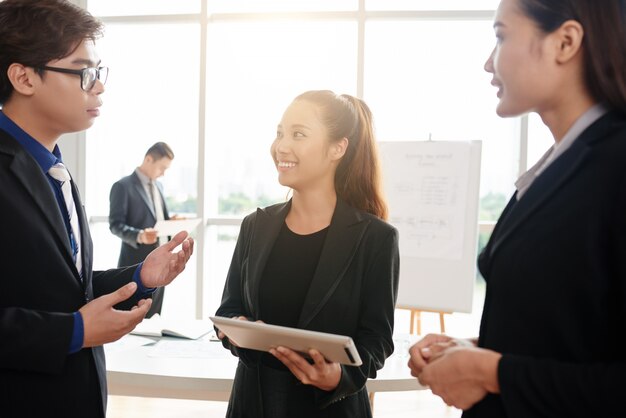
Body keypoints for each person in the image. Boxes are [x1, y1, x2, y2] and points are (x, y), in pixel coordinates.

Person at [407, 0, 626, 417]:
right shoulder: (561, 165)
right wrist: (475, 352)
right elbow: (576, 337)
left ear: (565, 42)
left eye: (502, 36)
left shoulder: (616, 165)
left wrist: (493, 372)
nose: (488, 63)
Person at [0, 1, 194, 417]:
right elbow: (68, 317)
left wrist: (141, 277)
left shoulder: (52, 166)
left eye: (99, 73)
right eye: (83, 72)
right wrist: (74, 331)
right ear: (23, 77)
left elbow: (64, 289)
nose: (99, 87)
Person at [215, 90, 399, 418]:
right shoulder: (255, 226)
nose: (281, 146)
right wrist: (235, 328)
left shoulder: (375, 238)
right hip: (254, 403)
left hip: (330, 408)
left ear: (337, 148)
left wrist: (340, 377)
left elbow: (377, 341)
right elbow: (229, 309)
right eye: (280, 133)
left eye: (298, 134)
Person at [109, 141, 175, 317]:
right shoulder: (122, 186)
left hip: (161, 264)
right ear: (148, 159)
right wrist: (139, 235)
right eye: (162, 167)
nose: (163, 174)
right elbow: (115, 225)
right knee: (133, 320)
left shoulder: (159, 186)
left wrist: (170, 221)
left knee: (154, 318)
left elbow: (156, 219)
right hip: (136, 266)